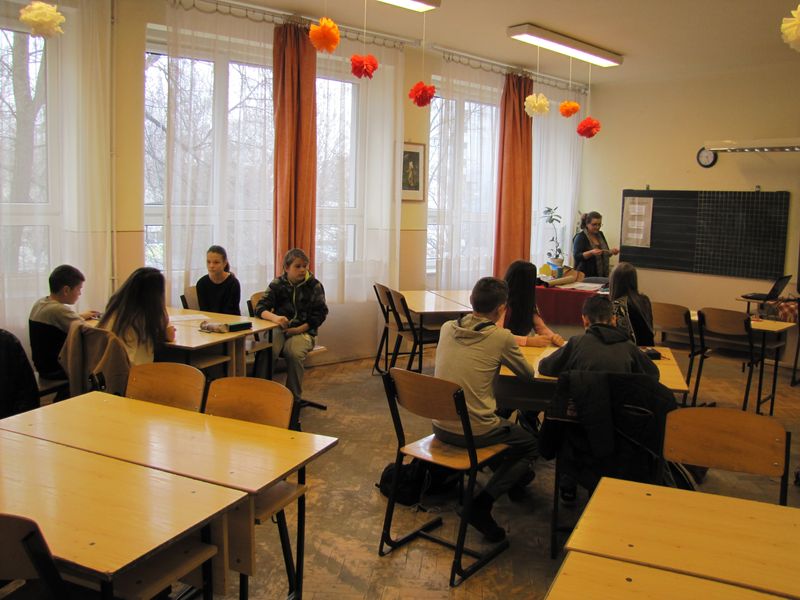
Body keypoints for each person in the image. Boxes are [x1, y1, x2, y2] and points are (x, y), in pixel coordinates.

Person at [433, 277, 539, 543]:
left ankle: (512, 477)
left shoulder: (447, 328)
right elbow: (527, 375)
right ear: (501, 309)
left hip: (440, 426)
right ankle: (481, 505)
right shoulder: (500, 337)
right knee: (530, 445)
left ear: (471, 301)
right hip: (474, 431)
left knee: (499, 423)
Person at [255, 249, 328, 401]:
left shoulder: (314, 286)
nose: (302, 270)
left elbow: (320, 314)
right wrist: (276, 318)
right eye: (297, 266)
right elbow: (260, 308)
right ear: (286, 268)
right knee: (268, 349)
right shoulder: (277, 284)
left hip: (304, 331)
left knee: (293, 352)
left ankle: (293, 399)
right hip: (279, 328)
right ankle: (260, 393)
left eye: (305, 266)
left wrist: (299, 329)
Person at [539, 295, 658, 379]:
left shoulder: (576, 343)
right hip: (619, 406)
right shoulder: (629, 346)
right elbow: (653, 374)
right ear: (614, 320)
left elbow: (545, 367)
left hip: (582, 405)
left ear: (585, 320)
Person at [29, 264, 100, 379]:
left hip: (44, 366)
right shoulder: (59, 310)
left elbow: (59, 321)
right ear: (66, 290)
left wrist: (81, 316)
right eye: (79, 289)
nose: (80, 293)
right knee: (104, 360)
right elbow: (92, 333)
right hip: (58, 369)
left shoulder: (41, 303)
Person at [97, 267, 176, 365]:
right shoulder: (149, 312)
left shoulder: (116, 305)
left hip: (107, 366)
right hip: (134, 369)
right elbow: (170, 336)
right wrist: (161, 309)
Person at [503, 260, 565, 347]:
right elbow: (497, 335)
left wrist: (553, 337)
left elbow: (540, 327)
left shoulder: (527, 302)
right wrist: (527, 341)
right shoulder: (501, 302)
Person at [609, 262, 655, 346]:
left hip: (632, 351)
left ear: (614, 282)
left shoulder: (618, 306)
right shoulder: (644, 300)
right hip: (648, 349)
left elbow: (618, 340)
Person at [572, 211, 619, 278]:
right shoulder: (580, 237)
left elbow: (605, 252)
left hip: (602, 275)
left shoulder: (600, 234)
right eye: (594, 224)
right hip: (585, 276)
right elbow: (577, 256)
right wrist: (591, 252)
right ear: (587, 224)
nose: (597, 227)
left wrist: (611, 252)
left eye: (599, 224)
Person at [196, 245, 241, 315]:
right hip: (209, 320)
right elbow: (204, 310)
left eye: (216, 262)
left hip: (230, 319)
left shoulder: (233, 283)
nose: (211, 266)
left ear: (225, 263)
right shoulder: (201, 283)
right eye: (208, 262)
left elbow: (231, 311)